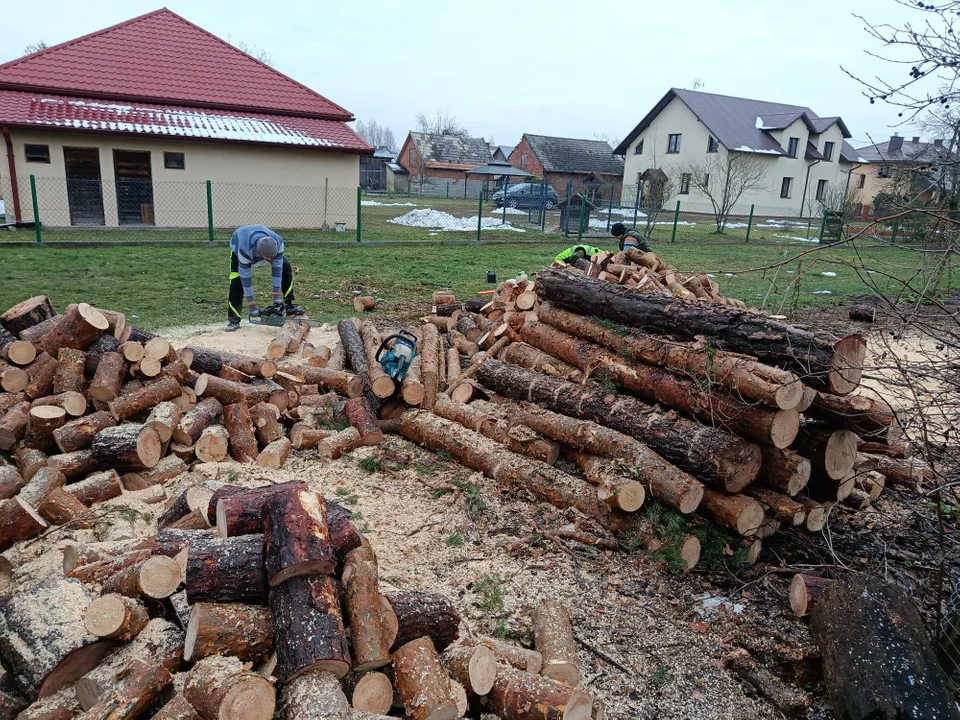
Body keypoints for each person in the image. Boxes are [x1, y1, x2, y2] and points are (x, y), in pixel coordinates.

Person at [226, 225, 304, 331]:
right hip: (240, 244)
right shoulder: (244, 249)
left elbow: (277, 271)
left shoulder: (279, 242)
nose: (270, 259)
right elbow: (246, 279)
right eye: (268, 258)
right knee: (237, 281)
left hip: (264, 248)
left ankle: (289, 305)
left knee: (285, 268)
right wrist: (252, 306)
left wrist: (277, 297)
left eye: (273, 257)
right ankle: (234, 320)